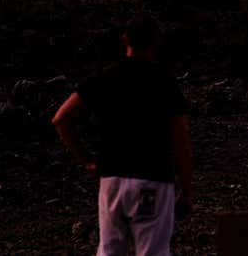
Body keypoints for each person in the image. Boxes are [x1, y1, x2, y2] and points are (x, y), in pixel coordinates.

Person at [52, 14, 193, 256]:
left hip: (112, 180)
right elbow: (180, 141)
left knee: (110, 249)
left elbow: (61, 119)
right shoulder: (164, 83)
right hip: (152, 180)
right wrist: (187, 191)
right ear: (156, 42)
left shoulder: (104, 78)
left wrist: (85, 157)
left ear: (125, 39)